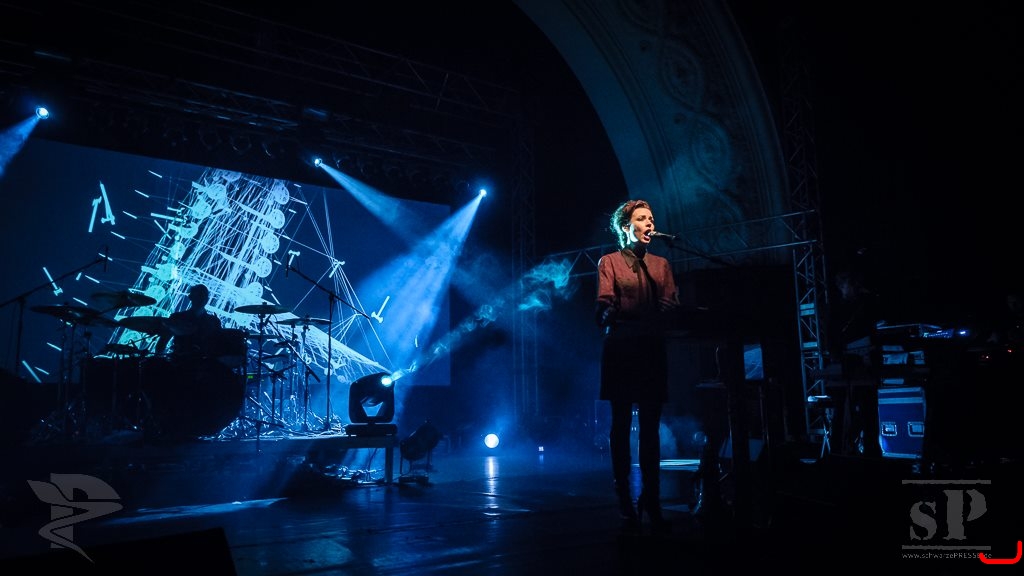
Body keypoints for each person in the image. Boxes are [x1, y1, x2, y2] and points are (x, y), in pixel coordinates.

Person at [595, 199, 679, 534]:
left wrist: (668, 310)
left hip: (650, 348)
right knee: (620, 424)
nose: (649, 223)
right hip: (622, 348)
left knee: (650, 427)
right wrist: (610, 312)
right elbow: (604, 304)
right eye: (642, 218)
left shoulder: (661, 264)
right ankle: (624, 497)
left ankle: (651, 498)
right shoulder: (610, 262)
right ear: (625, 226)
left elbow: (671, 302)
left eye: (651, 218)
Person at [156, 283, 223, 360]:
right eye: (199, 295)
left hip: (199, 363)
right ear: (191, 297)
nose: (201, 299)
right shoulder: (177, 317)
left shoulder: (214, 321)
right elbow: (162, 343)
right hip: (181, 361)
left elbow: (219, 344)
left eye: (203, 296)